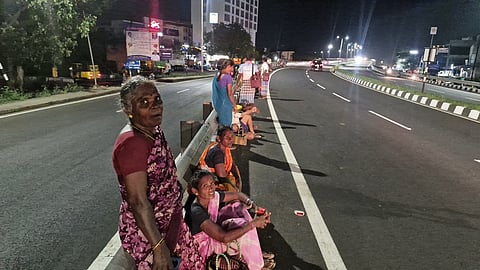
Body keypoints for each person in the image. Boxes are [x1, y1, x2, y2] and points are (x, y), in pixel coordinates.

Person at [112, 75, 204, 270]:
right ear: (129, 110)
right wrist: (159, 248)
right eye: (144, 102)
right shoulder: (132, 144)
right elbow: (137, 200)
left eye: (157, 99)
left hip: (170, 223)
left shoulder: (152, 130)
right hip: (149, 235)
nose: (155, 106)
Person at [185, 170, 276, 270]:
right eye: (205, 186)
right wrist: (253, 224)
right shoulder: (196, 211)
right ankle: (255, 264)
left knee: (237, 206)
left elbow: (237, 195)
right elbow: (223, 237)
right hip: (205, 249)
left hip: (215, 236)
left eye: (212, 183)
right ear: (195, 191)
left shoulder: (212, 196)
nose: (211, 188)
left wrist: (253, 206)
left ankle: (254, 253)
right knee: (244, 226)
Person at [198, 126, 241, 192]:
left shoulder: (222, 148)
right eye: (227, 137)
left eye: (232, 137)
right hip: (212, 182)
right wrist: (235, 189)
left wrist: (238, 178)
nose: (230, 139)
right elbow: (222, 176)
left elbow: (232, 164)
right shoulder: (218, 153)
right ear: (219, 138)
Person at [212, 59, 236, 127]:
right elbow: (230, 94)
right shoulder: (228, 78)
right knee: (227, 125)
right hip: (226, 105)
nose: (232, 69)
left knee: (221, 125)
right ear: (227, 66)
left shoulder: (216, 77)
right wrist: (234, 105)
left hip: (219, 105)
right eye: (231, 67)